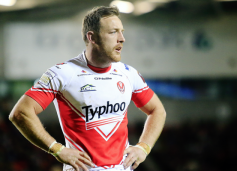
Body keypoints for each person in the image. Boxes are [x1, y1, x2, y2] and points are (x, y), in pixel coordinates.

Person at [9, 6, 166, 171]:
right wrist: (56, 149)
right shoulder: (63, 73)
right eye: (113, 32)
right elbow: (21, 113)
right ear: (92, 37)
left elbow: (157, 110)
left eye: (122, 31)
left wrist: (144, 147)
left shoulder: (128, 73)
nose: (122, 38)